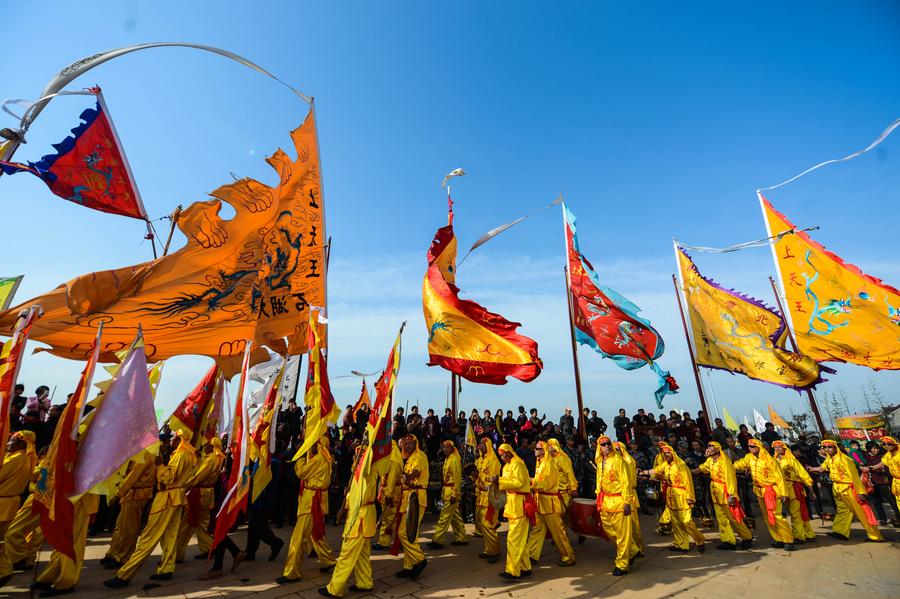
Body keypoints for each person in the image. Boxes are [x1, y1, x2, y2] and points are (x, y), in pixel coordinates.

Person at [104, 430, 199, 588]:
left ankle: (125, 574)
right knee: (170, 535)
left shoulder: (181, 455)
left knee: (148, 537)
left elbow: (167, 478)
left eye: (174, 438)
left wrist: (160, 465)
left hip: (167, 498)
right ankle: (167, 568)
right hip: (177, 498)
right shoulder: (189, 454)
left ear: (180, 439)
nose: (170, 441)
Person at [319, 445, 377, 597]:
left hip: (361, 518)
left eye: (360, 454)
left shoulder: (367, 470)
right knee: (362, 554)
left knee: (346, 554)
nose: (356, 456)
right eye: (356, 454)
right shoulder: (357, 473)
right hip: (360, 516)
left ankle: (335, 588)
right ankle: (365, 582)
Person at [277, 435, 337, 584]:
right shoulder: (324, 458)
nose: (310, 446)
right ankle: (328, 560)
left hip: (311, 502)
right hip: (312, 500)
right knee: (315, 534)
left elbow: (301, 472)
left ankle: (292, 572)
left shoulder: (319, 460)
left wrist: (301, 458)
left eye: (313, 444)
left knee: (298, 538)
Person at [808, 439, 883, 542]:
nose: (827, 449)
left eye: (829, 447)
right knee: (842, 511)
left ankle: (875, 535)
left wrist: (861, 492)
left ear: (835, 447)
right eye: (824, 447)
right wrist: (812, 469)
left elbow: (854, 476)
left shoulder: (845, 459)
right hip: (837, 488)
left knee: (861, 512)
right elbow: (822, 468)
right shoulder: (829, 459)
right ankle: (840, 531)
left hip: (848, 488)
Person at [733, 439, 794, 551]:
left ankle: (788, 540)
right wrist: (730, 466)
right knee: (767, 517)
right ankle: (778, 538)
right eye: (749, 446)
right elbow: (740, 464)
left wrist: (784, 492)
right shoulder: (749, 457)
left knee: (777, 515)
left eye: (752, 446)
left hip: (771, 490)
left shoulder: (770, 460)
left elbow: (780, 477)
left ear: (759, 447)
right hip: (759, 491)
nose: (750, 448)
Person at [645, 442, 706, 553]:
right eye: (664, 453)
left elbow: (688, 482)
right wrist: (643, 472)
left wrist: (690, 497)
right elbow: (656, 470)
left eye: (668, 453)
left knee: (687, 521)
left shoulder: (681, 465)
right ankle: (681, 544)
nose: (666, 455)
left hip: (682, 496)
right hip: (671, 497)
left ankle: (700, 539)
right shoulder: (665, 465)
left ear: (673, 453)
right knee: (676, 522)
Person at [101, 453, 157, 569]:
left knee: (129, 528)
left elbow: (133, 476)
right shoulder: (142, 450)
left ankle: (123, 557)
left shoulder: (146, 453)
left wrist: (118, 494)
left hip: (136, 494)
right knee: (120, 525)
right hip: (131, 493)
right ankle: (114, 552)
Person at [695, 441, 753, 550]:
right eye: (708, 446)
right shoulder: (710, 461)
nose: (709, 448)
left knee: (733, 518)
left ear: (717, 449)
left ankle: (747, 537)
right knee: (721, 518)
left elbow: (731, 479)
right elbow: (701, 469)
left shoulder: (725, 461)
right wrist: (687, 470)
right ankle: (728, 541)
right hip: (716, 493)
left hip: (726, 493)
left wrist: (732, 495)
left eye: (711, 446)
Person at [175, 437, 225, 562]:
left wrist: (183, 484)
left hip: (200, 495)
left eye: (206, 444)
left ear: (212, 446)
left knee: (187, 524)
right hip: (207, 494)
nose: (204, 447)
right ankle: (209, 549)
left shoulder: (211, 459)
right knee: (202, 524)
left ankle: (177, 553)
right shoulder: (217, 457)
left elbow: (199, 476)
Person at [527, 440, 575, 568]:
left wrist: (530, 481)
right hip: (540, 502)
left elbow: (546, 484)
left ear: (543, 451)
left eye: (537, 448)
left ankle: (568, 556)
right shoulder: (540, 463)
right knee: (537, 529)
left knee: (558, 532)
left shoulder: (549, 463)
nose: (534, 450)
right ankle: (531, 554)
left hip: (550, 503)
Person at [596, 435, 638, 576]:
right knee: (609, 531)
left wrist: (627, 501)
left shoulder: (619, 460)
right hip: (605, 501)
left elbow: (626, 482)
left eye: (608, 444)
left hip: (620, 500)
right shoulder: (600, 461)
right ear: (599, 447)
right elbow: (599, 481)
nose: (607, 446)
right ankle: (632, 550)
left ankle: (622, 564)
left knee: (622, 535)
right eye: (603, 444)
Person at [0, 431, 36, 587]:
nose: (9, 443)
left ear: (23, 443)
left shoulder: (15, 459)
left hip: (4, 503)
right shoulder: (25, 457)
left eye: (13, 440)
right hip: (9, 501)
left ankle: (5, 570)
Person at [492, 443, 531, 582]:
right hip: (512, 505)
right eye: (500, 455)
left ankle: (513, 571)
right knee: (519, 540)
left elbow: (519, 483)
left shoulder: (518, 464)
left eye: (503, 455)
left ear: (509, 453)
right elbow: (507, 484)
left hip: (520, 505)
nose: (501, 458)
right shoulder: (507, 466)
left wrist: (500, 481)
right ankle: (526, 567)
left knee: (513, 540)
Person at [395, 434, 429, 579]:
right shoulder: (409, 458)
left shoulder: (419, 456)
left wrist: (408, 477)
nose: (407, 446)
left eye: (410, 443)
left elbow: (416, 472)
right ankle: (409, 566)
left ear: (416, 443)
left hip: (416, 497)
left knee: (404, 532)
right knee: (410, 534)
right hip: (407, 497)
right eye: (405, 443)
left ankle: (419, 559)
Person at [772, 441, 816, 543]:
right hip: (782, 490)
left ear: (784, 448)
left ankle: (799, 536)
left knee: (796, 513)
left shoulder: (792, 460)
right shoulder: (773, 461)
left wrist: (811, 490)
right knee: (796, 513)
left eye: (780, 447)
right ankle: (808, 534)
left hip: (794, 489)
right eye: (775, 448)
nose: (778, 449)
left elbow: (803, 475)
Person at [428, 440, 467, 549]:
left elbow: (458, 479)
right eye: (443, 447)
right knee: (455, 517)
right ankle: (462, 537)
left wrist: (455, 494)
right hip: (446, 491)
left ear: (452, 448)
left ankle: (438, 540)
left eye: (447, 447)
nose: (445, 449)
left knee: (444, 517)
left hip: (451, 493)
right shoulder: (448, 459)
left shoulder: (454, 460)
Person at [861, 436, 900, 524]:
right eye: (884, 444)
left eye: (889, 444)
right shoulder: (888, 454)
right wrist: (870, 468)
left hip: (886, 482)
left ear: (895, 444)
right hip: (895, 483)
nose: (886, 446)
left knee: (893, 502)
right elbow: (882, 463)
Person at [474, 437, 501, 563]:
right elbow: (476, 477)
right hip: (480, 497)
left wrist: (485, 487)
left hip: (489, 497)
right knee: (480, 523)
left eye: (483, 444)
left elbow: (494, 481)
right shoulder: (479, 460)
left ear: (488, 446)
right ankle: (488, 549)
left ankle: (494, 551)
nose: (480, 446)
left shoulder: (493, 460)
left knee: (488, 524)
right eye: (480, 444)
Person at [372, 441, 403, 551]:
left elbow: (392, 478)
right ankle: (387, 540)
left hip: (392, 491)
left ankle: (385, 542)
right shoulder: (389, 457)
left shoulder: (394, 459)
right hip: (387, 490)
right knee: (387, 516)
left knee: (389, 517)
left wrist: (389, 494)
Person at [547, 438, 577, 511]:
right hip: (554, 491)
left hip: (564, 492)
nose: (548, 448)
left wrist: (574, 488)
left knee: (563, 514)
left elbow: (569, 473)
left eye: (550, 446)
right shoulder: (549, 459)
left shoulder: (563, 458)